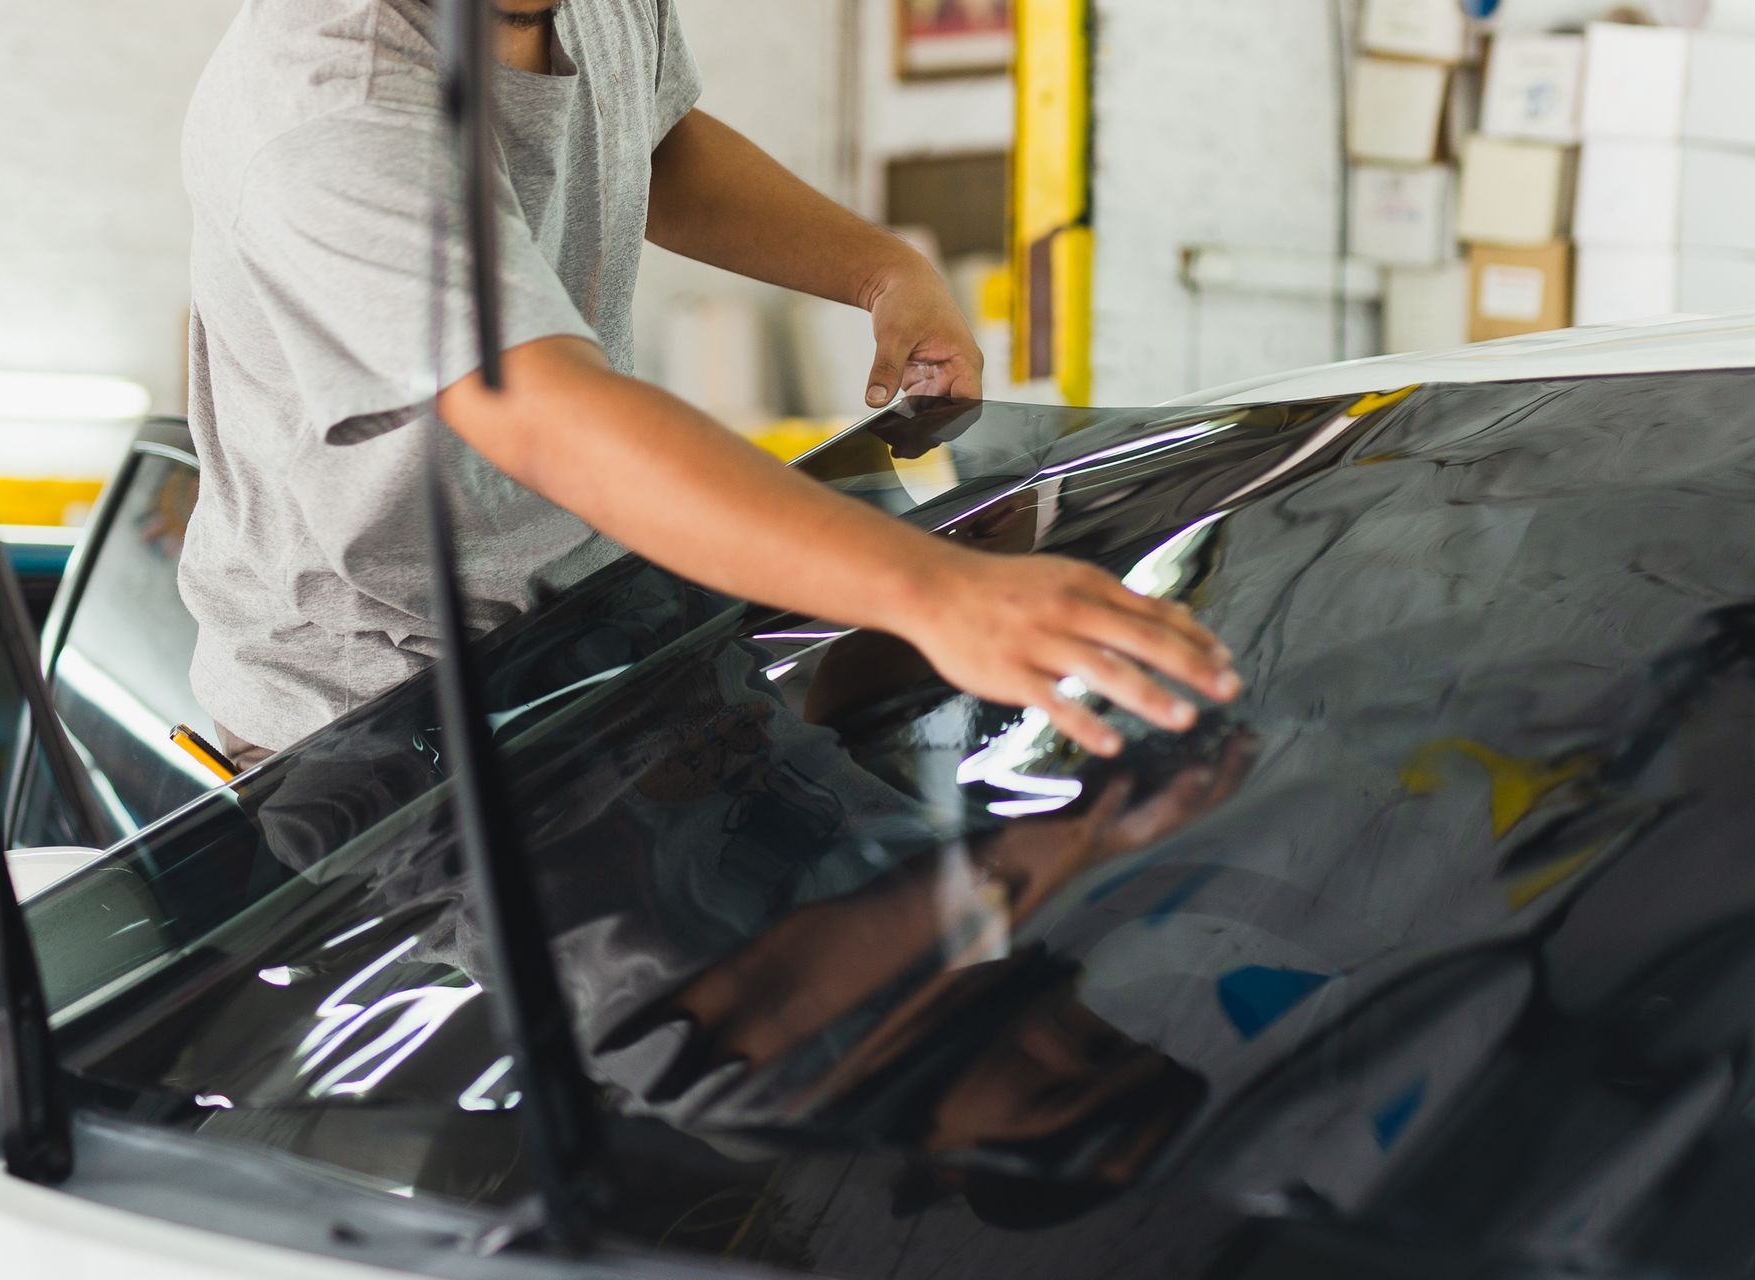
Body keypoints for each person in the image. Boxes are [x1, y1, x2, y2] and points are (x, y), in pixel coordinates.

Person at [177, 0, 1240, 771]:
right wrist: (936, 590)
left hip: (589, 626)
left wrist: (880, 271)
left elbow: (655, 141)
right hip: (384, 724)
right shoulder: (333, 111)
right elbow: (551, 417)